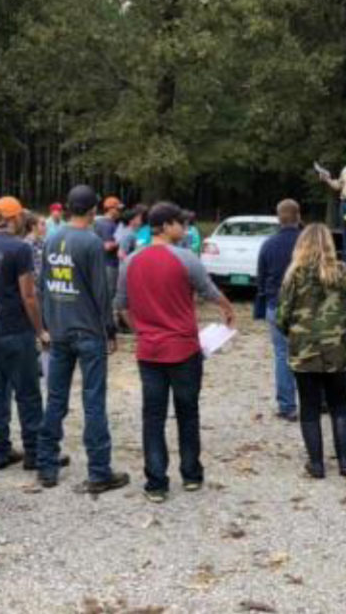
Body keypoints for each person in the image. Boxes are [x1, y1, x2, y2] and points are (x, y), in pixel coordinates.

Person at [116, 203, 235, 503]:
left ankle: (156, 482)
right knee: (188, 411)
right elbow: (208, 290)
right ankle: (191, 474)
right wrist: (227, 309)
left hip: (149, 350)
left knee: (152, 416)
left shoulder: (130, 261)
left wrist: (139, 329)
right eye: (180, 224)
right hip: (183, 347)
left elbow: (121, 304)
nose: (184, 229)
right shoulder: (185, 258)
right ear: (167, 225)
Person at [36, 185, 129, 493]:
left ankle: (46, 465)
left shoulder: (51, 237)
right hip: (88, 331)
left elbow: (43, 286)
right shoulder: (91, 242)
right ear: (93, 210)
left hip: (60, 330)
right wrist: (110, 329)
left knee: (56, 398)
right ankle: (99, 471)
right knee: (93, 401)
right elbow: (101, 293)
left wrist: (46, 325)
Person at [276, 224, 346, 479]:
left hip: (304, 351)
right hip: (338, 350)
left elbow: (282, 316)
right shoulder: (344, 273)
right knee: (339, 405)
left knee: (309, 407)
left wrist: (295, 334)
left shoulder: (294, 275)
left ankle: (316, 464)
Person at [0, 196, 46, 471]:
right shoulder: (20, 249)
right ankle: (33, 453)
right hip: (17, 329)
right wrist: (40, 330)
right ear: (15, 218)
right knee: (28, 394)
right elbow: (28, 295)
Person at [254, 199, 302, 422]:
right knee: (309, 354)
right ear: (298, 216)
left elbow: (261, 278)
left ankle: (287, 405)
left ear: (278, 217)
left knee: (282, 355)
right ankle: (315, 401)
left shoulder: (269, 244)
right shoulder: (306, 243)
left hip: (277, 304)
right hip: (305, 306)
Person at [94, 196, 125, 304]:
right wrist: (120, 240)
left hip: (101, 264)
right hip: (109, 265)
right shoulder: (107, 224)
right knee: (108, 296)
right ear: (110, 209)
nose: (120, 211)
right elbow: (106, 246)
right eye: (118, 209)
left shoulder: (98, 222)